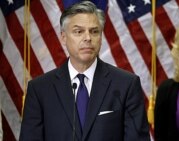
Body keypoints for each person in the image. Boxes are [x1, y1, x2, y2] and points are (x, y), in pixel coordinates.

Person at [19, 1, 150, 141]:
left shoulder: (126, 85)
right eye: (79, 31)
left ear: (100, 37)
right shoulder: (40, 89)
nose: (88, 38)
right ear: (63, 37)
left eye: (94, 31)